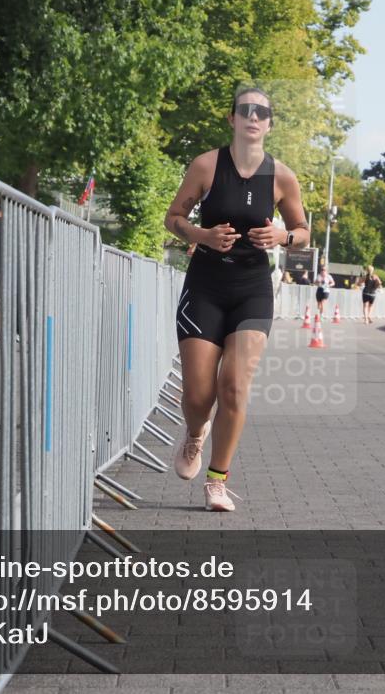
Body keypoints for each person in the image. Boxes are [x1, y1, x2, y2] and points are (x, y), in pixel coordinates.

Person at [163, 87, 309, 511]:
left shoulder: (281, 176)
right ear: (231, 119)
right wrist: (201, 235)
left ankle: (217, 480)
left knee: (234, 388)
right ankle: (195, 435)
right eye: (245, 110)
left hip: (252, 290)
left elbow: (302, 231)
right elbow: (173, 217)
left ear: (269, 123)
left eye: (261, 111)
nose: (252, 116)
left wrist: (283, 236)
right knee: (197, 395)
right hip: (205, 286)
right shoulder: (206, 165)